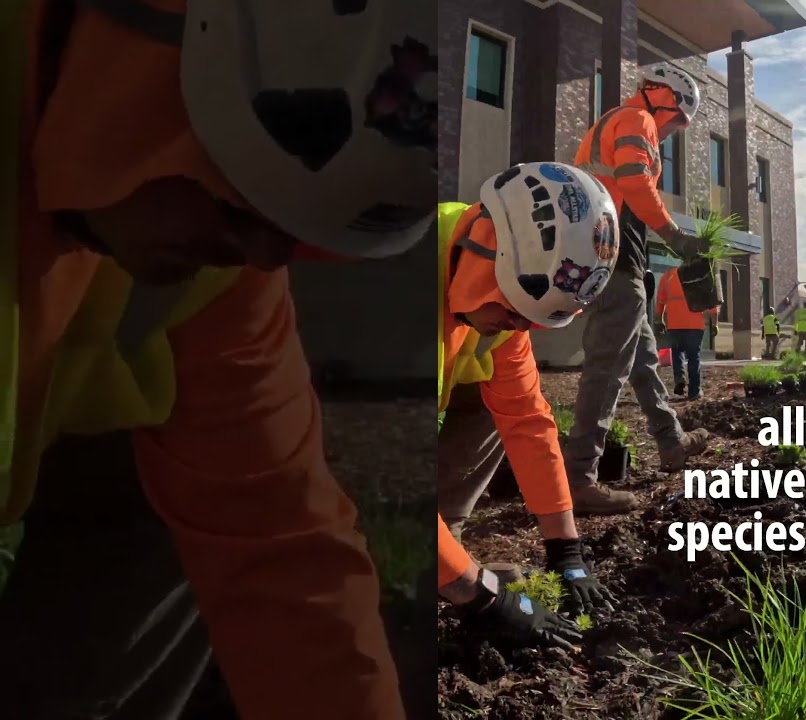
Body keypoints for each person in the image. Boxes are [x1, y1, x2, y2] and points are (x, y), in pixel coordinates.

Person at [1, 2, 434, 718]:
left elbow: (280, 544)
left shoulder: (216, 267)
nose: (263, 257)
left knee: (180, 513)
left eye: (289, 229)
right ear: (153, 81)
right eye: (243, 208)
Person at [435, 163, 620, 651]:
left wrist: (566, 550)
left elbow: (527, 421)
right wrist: (482, 596)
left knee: (493, 405)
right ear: (487, 248)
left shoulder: (490, 298)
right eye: (513, 309)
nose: (516, 327)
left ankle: (438, 546)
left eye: (530, 319)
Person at [565, 63, 713, 514]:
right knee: (608, 366)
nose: (671, 131)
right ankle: (579, 479)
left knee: (643, 358)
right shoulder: (638, 120)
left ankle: (671, 442)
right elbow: (634, 180)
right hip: (614, 256)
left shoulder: (611, 121)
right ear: (667, 99)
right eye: (678, 121)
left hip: (606, 252)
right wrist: (675, 235)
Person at [655, 266, 718, 400]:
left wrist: (659, 319)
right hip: (695, 324)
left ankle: (679, 378)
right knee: (693, 357)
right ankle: (694, 392)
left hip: (675, 323)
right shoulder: (700, 274)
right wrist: (715, 324)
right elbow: (712, 303)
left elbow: (660, 300)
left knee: (677, 353)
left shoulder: (667, 276)